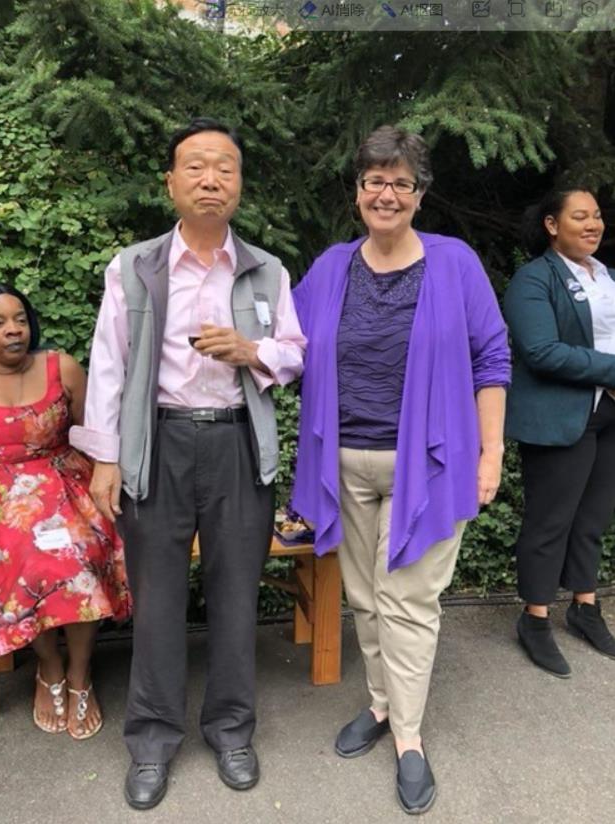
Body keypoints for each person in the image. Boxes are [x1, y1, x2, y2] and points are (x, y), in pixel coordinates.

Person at [69, 117, 305, 810]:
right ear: (170, 181)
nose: (211, 180)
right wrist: (106, 458)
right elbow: (108, 364)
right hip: (158, 443)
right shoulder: (134, 267)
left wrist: (252, 351)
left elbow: (296, 352)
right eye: (196, 166)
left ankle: (232, 732)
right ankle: (151, 741)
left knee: (236, 598)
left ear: (239, 184)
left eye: (225, 168)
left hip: (237, 445)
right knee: (158, 602)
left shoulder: (266, 270)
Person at [291, 125, 510, 815]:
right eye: (375, 181)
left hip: (431, 465)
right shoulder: (331, 267)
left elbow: (491, 357)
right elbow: (286, 346)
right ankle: (382, 705)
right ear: (358, 190)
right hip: (344, 462)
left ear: (420, 194)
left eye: (401, 183)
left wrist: (492, 452)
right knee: (364, 596)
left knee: (408, 600)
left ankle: (409, 738)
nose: (386, 194)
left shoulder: (454, 263)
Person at [0, 283, 130, 739]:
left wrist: (104, 486)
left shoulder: (61, 367)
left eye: (20, 319)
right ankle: (48, 665)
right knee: (26, 560)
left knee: (76, 557)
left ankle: (79, 674)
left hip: (65, 483)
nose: (13, 330)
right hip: (0, 496)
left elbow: (94, 434)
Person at [505, 188, 615, 678]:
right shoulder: (533, 279)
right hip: (561, 415)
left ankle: (585, 606)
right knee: (551, 521)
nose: (593, 225)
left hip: (609, 413)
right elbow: (541, 351)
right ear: (552, 225)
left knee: (593, 518)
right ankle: (535, 618)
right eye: (580, 216)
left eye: (597, 216)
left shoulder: (607, 276)